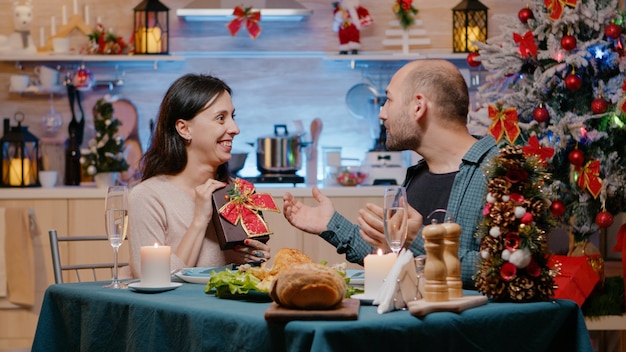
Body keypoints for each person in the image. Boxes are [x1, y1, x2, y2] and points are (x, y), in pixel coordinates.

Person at [283, 59, 499, 288]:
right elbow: (391, 254)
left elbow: (504, 273)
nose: (382, 113)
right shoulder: (418, 176)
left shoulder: (502, 174)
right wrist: (330, 224)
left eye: (388, 100)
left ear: (418, 106)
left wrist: (418, 241)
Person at [127, 74, 271, 278]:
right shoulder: (148, 197)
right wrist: (200, 220)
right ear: (184, 129)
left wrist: (256, 258)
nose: (235, 129)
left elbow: (244, 276)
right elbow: (153, 278)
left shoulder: (238, 193)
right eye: (221, 118)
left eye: (233, 117)